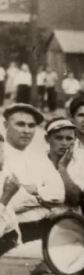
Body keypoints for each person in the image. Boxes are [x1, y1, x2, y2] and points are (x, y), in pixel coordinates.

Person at [2, 103, 66, 241]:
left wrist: (32, 191)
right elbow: (10, 204)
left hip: (45, 227)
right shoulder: (2, 156)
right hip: (13, 232)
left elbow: (59, 193)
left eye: (31, 126)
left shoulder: (39, 157)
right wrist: (42, 198)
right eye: (20, 124)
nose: (27, 131)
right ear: (6, 125)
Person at [43, 118, 82, 209]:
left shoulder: (79, 164)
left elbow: (75, 200)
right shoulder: (36, 161)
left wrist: (63, 168)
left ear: (75, 140)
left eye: (69, 138)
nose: (64, 143)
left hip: (69, 215)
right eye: (59, 138)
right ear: (47, 139)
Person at [0, 135, 22, 256]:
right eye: (1, 152)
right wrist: (6, 196)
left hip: (12, 248)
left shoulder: (3, 178)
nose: (4, 157)